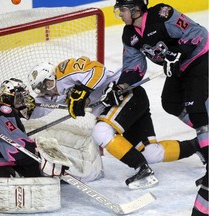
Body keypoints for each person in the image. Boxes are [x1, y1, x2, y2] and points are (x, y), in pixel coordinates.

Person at [27, 56, 200, 189]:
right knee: (151, 153)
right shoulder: (51, 96)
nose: (49, 89)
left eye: (48, 83)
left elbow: (98, 70)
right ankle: (200, 145)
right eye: (43, 88)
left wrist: (83, 90)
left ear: (52, 74)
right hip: (125, 105)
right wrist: (18, 106)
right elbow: (35, 110)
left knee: (100, 131)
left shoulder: (65, 70)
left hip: (125, 94)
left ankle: (142, 170)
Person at [113, 0, 208, 213]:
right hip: (177, 68)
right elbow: (134, 68)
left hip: (198, 59)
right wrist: (121, 86)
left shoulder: (161, 15)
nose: (119, 14)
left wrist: (180, 51)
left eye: (123, 9)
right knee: (171, 103)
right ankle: (205, 134)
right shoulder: (130, 35)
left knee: (198, 112)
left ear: (136, 8)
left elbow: (198, 32)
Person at [0, 78, 66, 178]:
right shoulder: (3, 111)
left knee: (32, 166)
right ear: (9, 97)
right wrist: (41, 157)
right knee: (32, 167)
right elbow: (16, 149)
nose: (25, 101)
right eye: (21, 97)